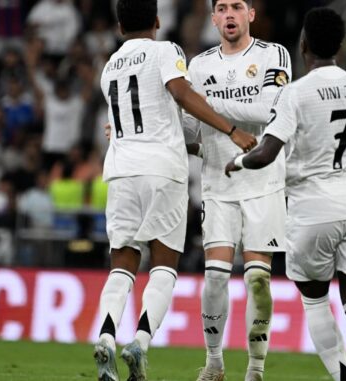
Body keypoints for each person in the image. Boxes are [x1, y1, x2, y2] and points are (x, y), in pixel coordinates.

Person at [225, 8, 346, 380]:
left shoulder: (296, 93)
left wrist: (238, 162)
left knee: (315, 299)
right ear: (340, 45)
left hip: (312, 210)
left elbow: (266, 154)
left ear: (303, 44)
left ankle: (343, 376)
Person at [93, 1, 256, 381]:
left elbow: (128, 119)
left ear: (119, 26)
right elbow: (181, 94)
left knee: (122, 266)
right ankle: (140, 342)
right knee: (164, 266)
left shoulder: (109, 66)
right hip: (162, 170)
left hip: (119, 171)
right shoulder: (165, 50)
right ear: (157, 21)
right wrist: (232, 130)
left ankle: (105, 335)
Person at [183, 1, 291, 380]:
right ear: (213, 18)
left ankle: (256, 368)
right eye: (222, 7)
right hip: (217, 184)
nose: (229, 14)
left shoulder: (273, 54)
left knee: (257, 279)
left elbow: (267, 109)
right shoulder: (198, 66)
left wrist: (202, 105)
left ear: (251, 15)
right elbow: (189, 131)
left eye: (237, 6)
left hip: (264, 184)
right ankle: (214, 362)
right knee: (214, 275)